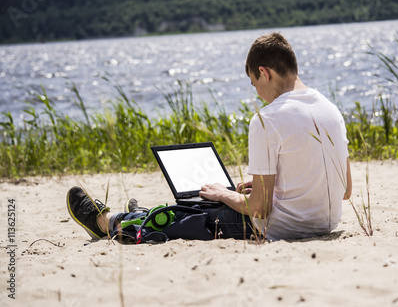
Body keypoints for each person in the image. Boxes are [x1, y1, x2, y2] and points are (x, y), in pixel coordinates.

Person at [67, 32, 352, 242]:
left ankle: (105, 222)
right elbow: (345, 189)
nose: (257, 93)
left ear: (264, 73)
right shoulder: (330, 109)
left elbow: (259, 209)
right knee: (212, 202)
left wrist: (223, 193)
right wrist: (279, 181)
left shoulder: (268, 119)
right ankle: (143, 211)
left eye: (254, 83)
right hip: (325, 225)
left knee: (191, 214)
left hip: (283, 228)